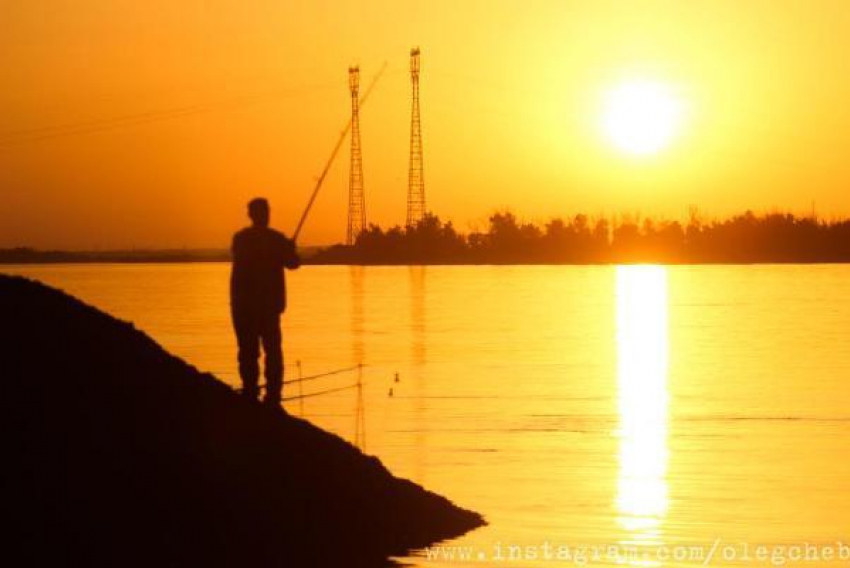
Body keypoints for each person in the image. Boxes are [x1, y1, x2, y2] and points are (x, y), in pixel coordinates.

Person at [230, 197, 300, 406]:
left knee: (255, 352)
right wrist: (288, 248)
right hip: (257, 307)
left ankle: (257, 394)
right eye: (263, 212)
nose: (266, 216)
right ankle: (268, 396)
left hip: (248, 306)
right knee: (264, 352)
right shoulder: (273, 240)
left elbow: (292, 262)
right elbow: (293, 263)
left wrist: (288, 249)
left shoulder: (243, 239)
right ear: (254, 214)